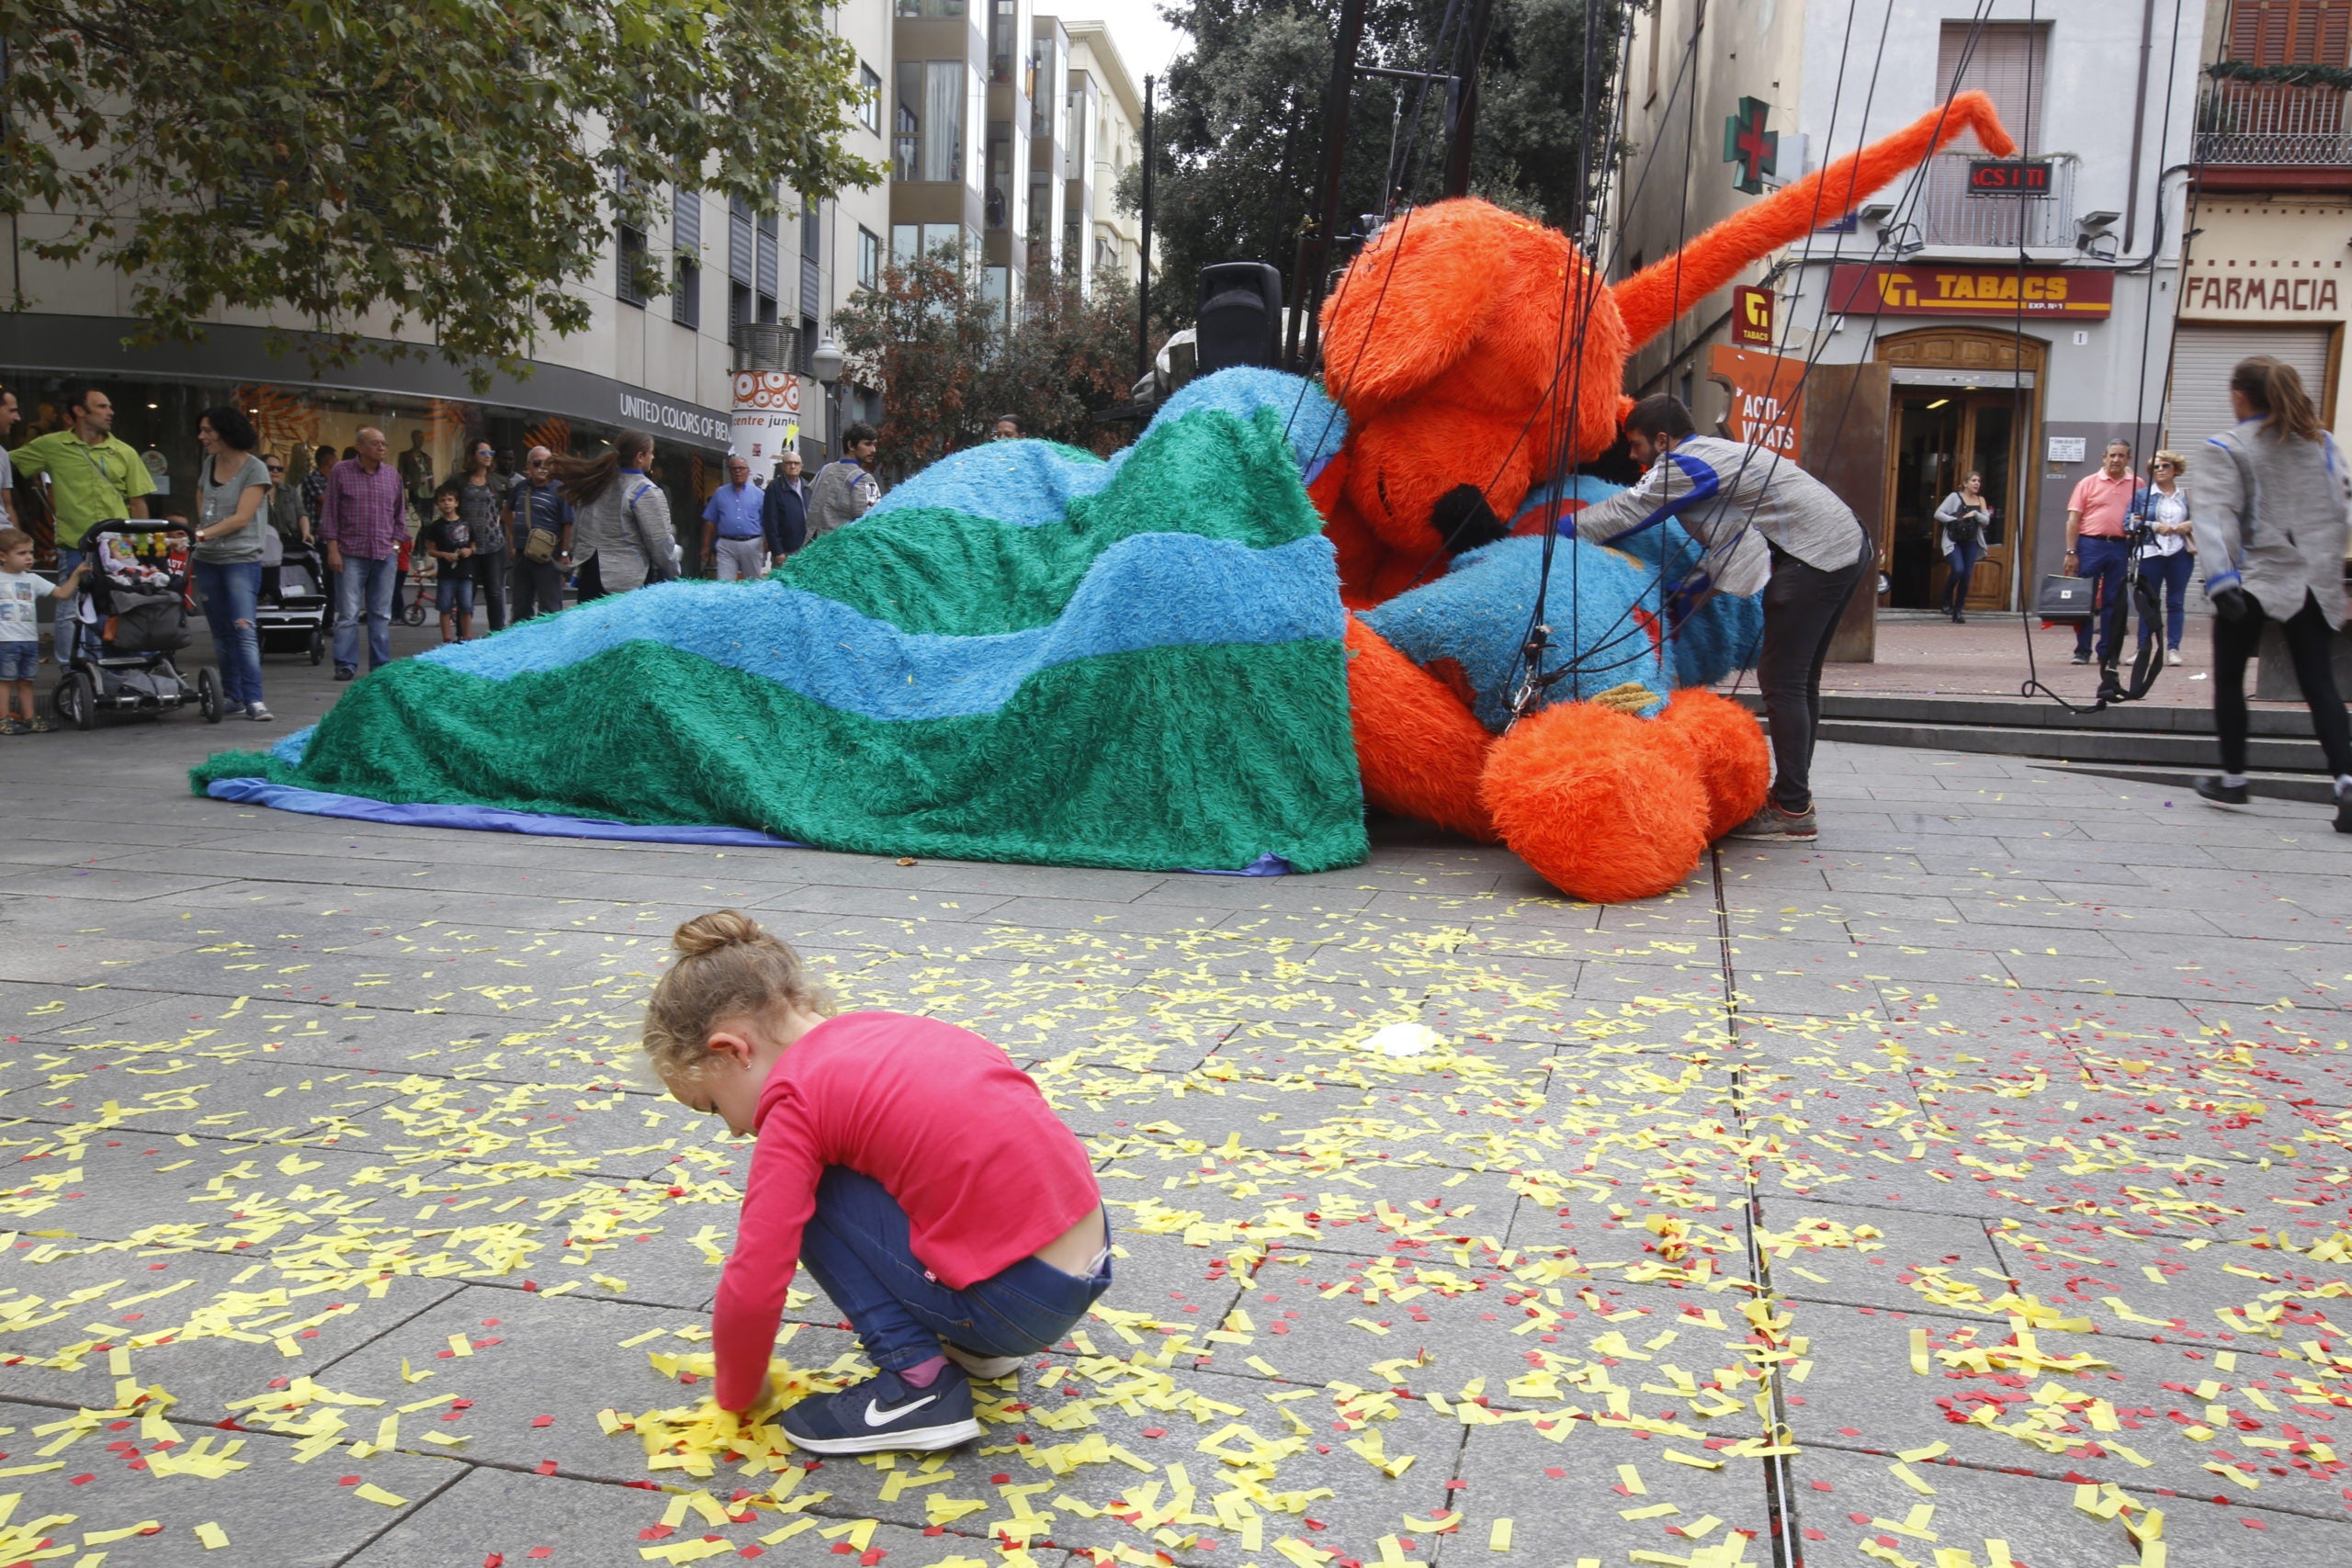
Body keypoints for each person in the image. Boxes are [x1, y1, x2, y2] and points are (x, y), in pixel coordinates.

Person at [639, 910, 1110, 1451]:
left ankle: (919, 1387)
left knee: (809, 1191)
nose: (735, 1129)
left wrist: (739, 1390)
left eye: (715, 1107)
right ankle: (980, 1349)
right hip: (1083, 1266)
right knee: (873, 1161)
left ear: (733, 1050)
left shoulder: (797, 1099)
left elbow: (756, 1278)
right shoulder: (893, 1029)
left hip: (1015, 1300)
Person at [1572, 394, 1871, 842]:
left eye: (1635, 445)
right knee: (1800, 679)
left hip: (1816, 557)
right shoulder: (1715, 457)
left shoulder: (1686, 465)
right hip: (1845, 547)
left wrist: (1554, 530)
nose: (1632, 457)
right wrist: (1688, 594)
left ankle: (1792, 809)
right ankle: (1793, 800)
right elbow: (1733, 544)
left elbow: (1627, 511)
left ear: (1661, 439)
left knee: (1782, 680)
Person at [2191, 357, 2352, 832]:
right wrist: (2325, 572)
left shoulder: (2228, 446)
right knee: (2320, 684)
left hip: (2253, 576)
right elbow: (2341, 508)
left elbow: (2217, 515)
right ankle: (2346, 781)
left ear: (2240, 396)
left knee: (2229, 677)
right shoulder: (2321, 444)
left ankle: (2235, 777)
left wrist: (2221, 580)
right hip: (2312, 579)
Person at [11, 387, 154, 668]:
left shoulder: (123, 451)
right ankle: (71, 672)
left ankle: (118, 665)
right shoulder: (51, 446)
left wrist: (143, 547)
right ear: (79, 411)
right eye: (101, 406)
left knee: (120, 604)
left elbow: (138, 504)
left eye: (109, 406)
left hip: (119, 544)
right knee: (69, 609)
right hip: (75, 542)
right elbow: (7, 463)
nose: (110, 412)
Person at [190, 405, 275, 722]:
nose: (203, 437)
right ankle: (232, 696)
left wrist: (200, 534)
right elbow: (202, 500)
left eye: (208, 431)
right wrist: (203, 533)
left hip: (240, 559)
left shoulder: (255, 469)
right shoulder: (209, 462)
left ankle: (255, 698)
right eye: (201, 431)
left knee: (243, 628)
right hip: (208, 559)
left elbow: (241, 518)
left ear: (226, 431)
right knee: (221, 632)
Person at [318, 426, 407, 680]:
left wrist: (396, 544)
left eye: (384, 443)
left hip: (383, 552)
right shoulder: (341, 472)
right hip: (350, 552)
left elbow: (400, 511)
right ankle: (345, 664)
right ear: (360, 447)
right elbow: (330, 513)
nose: (381, 448)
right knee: (348, 613)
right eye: (375, 443)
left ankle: (380, 665)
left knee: (380, 613)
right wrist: (332, 549)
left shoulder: (392, 475)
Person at [553, 432, 674, 602]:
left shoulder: (596, 483)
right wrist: (673, 570)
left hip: (590, 574)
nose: (653, 457)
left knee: (591, 627)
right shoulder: (645, 490)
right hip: (627, 583)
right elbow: (660, 542)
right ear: (640, 457)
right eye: (651, 452)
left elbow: (579, 529)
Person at [0, 527, 86, 734]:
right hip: (4, 640)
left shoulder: (32, 579)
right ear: (2, 556)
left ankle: (30, 718)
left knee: (27, 681)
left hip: (29, 639)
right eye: (21, 554)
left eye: (31, 552)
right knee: (5, 682)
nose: (29, 558)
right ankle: (3, 719)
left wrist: (76, 575)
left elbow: (63, 593)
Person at [2063, 439, 2137, 670]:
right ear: (2104, 457)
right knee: (2084, 600)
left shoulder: (2137, 484)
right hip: (2090, 545)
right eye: (2112, 455)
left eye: (2121, 456)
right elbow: (2073, 520)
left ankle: (2106, 651)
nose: (2116, 460)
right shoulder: (2087, 483)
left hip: (2119, 546)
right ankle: (2082, 650)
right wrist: (2071, 551)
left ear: (2128, 459)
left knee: (2113, 602)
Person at [2131, 449, 2195, 669]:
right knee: (2148, 602)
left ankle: (2173, 649)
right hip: (2151, 552)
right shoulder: (2142, 495)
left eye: (2165, 466)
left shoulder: (2187, 496)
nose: (2159, 470)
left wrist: (2191, 524)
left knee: (2176, 602)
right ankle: (2143, 648)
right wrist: (2155, 526)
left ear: (2175, 469)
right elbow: (2128, 523)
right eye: (2155, 467)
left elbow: (2208, 519)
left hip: (2179, 553)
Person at [451, 441, 511, 632]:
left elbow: (508, 510)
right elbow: (446, 502)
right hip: (467, 545)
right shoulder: (459, 481)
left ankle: (496, 634)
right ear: (473, 455)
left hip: (493, 543)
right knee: (465, 592)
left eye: (490, 451)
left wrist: (509, 538)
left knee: (494, 592)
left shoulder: (498, 481)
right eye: (483, 452)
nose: (488, 455)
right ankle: (463, 636)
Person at [510, 446, 574, 619]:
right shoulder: (520, 487)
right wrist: (512, 542)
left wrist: (565, 553)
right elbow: (507, 512)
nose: (543, 468)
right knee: (520, 605)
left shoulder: (561, 490)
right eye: (538, 463)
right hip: (522, 553)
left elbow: (568, 524)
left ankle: (550, 643)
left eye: (548, 463)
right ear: (529, 466)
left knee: (550, 606)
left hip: (548, 556)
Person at [805, 423, 882, 544]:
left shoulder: (825, 469)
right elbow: (872, 520)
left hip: (811, 549)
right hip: (841, 551)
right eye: (867, 444)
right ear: (851, 445)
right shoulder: (864, 479)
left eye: (874, 445)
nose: (873, 450)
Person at [1933, 471, 1994, 624]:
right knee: (1958, 569)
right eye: (1973, 480)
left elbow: (1986, 521)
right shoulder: (1955, 497)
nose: (1977, 483)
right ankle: (1946, 600)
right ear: (1965, 483)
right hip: (1954, 541)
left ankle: (1958, 611)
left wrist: (1975, 514)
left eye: (1979, 481)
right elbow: (1938, 513)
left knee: (1966, 576)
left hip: (1971, 542)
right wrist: (1954, 520)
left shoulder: (1981, 500)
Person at [420, 489, 476, 642]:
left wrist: (469, 551)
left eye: (450, 500)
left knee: (466, 607)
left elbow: (474, 545)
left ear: (456, 503)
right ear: (438, 504)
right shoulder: (436, 526)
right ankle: (446, 639)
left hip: (465, 572)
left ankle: (467, 638)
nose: (447, 503)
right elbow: (431, 550)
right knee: (445, 606)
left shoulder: (466, 523)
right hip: (446, 573)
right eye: (443, 501)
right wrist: (444, 554)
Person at [702, 456, 769, 581]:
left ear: (748, 472)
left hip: (752, 544)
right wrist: (706, 546)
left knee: (753, 584)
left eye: (741, 468)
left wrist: (768, 540)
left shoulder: (759, 494)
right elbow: (710, 521)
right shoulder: (720, 493)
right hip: (726, 545)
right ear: (730, 471)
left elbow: (767, 520)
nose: (738, 471)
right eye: (734, 468)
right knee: (725, 584)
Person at [761, 450, 809, 565]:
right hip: (785, 551)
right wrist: (778, 551)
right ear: (783, 466)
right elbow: (770, 522)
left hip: (806, 549)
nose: (793, 466)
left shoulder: (807, 486)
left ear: (801, 467)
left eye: (796, 463)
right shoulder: (774, 488)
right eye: (789, 463)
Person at [398, 429, 436, 525]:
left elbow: (431, 475)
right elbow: (399, 475)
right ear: (413, 439)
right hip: (414, 491)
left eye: (422, 438)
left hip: (428, 493)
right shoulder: (405, 456)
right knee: (418, 521)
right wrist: (402, 495)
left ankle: (425, 540)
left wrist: (435, 492)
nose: (420, 440)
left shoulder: (427, 457)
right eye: (418, 438)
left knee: (428, 521)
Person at [300, 444, 336, 538]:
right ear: (330, 460)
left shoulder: (335, 479)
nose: (338, 462)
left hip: (333, 532)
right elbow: (325, 500)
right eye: (336, 459)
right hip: (316, 532)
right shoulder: (312, 478)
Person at [0, 387, 20, 528]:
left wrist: (18, 544)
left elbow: (8, 505)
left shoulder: (2, 454)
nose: (17, 418)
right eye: (12, 410)